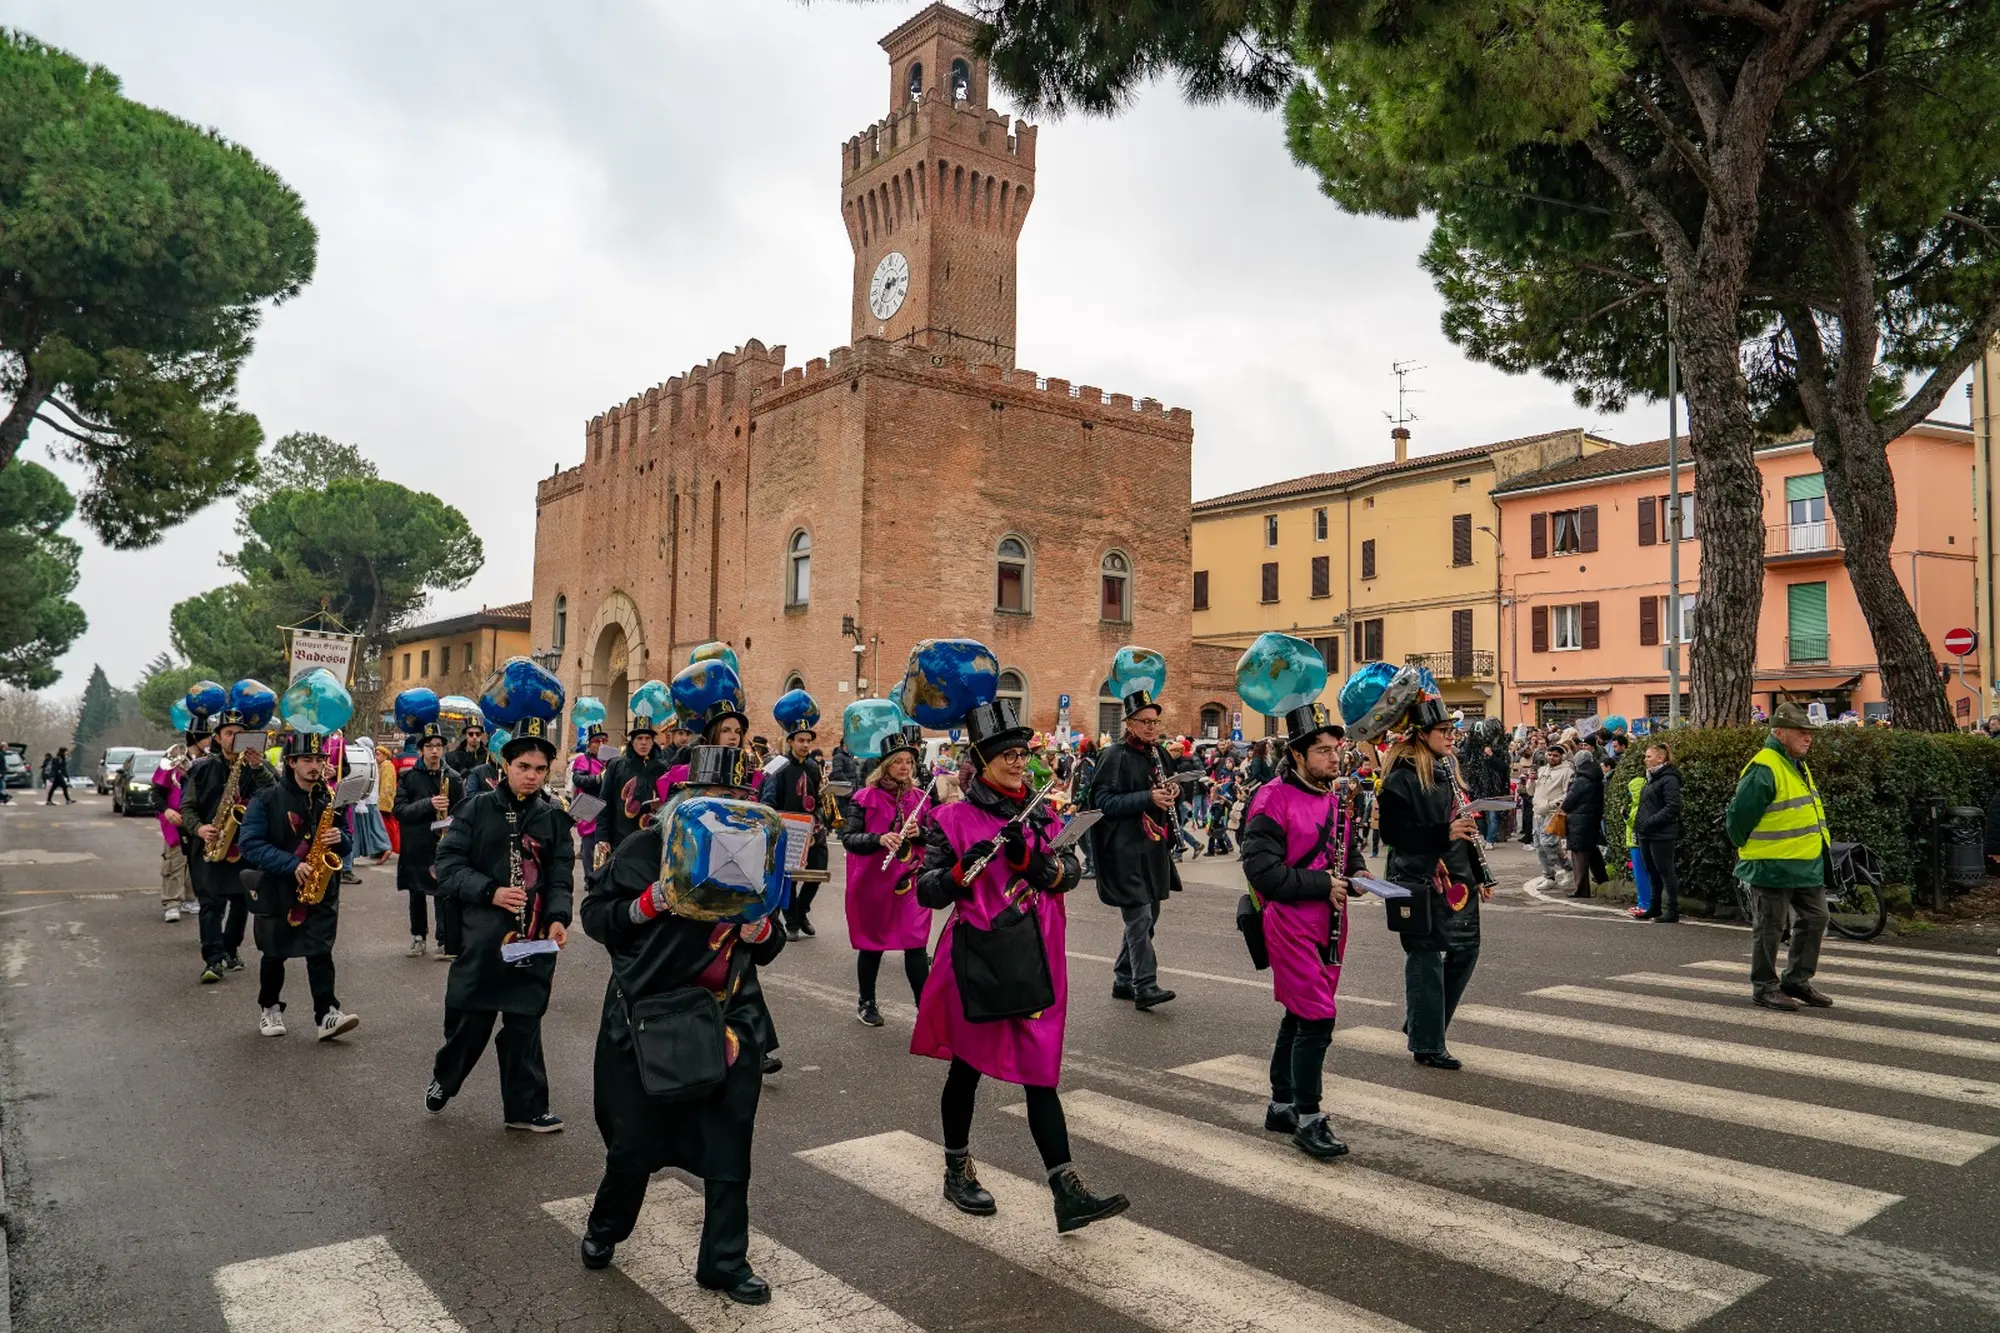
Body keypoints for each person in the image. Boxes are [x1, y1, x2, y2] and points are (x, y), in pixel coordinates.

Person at [577, 741, 785, 1304]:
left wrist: (761, 934)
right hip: (650, 1016)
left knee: (729, 1144)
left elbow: (774, 933)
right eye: (716, 796)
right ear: (687, 799)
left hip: (728, 1017)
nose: (729, 807)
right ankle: (606, 1227)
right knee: (632, 1143)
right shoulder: (648, 847)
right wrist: (648, 904)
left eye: (739, 798)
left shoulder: (755, 850)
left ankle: (723, 1261)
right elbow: (596, 916)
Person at [912, 693, 1128, 1232]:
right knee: (967, 1068)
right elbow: (927, 892)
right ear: (981, 761)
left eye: (1022, 751)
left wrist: (1032, 861)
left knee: (1040, 1073)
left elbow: (1071, 872)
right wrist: (959, 873)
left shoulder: (1042, 812)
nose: (1018, 760)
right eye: (1006, 753)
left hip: (1038, 956)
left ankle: (1065, 1190)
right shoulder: (950, 818)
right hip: (978, 957)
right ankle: (957, 1168)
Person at [426, 702, 574, 1132]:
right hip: (485, 937)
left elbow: (560, 877)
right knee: (470, 1024)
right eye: (524, 765)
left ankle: (525, 1109)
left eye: (541, 769)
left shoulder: (553, 818)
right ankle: (444, 1078)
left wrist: (559, 918)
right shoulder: (475, 809)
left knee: (525, 1022)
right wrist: (491, 892)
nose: (532, 775)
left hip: (533, 938)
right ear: (504, 764)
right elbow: (448, 869)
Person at [1239, 703, 1366, 1160]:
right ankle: (1309, 1119)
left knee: (1298, 1014)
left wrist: (1358, 873)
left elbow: (1344, 848)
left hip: (1330, 921)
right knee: (1317, 1017)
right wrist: (1322, 883)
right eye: (1324, 751)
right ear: (1297, 755)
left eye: (1337, 749)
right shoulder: (1271, 799)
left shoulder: (1333, 796)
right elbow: (1262, 872)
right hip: (1290, 921)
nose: (1335, 759)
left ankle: (1281, 1105)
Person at [1379, 695, 1491, 1070]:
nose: (1451, 736)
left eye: (1451, 730)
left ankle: (1422, 1022)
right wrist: (1443, 833)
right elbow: (1394, 832)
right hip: (1417, 875)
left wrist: (1479, 875)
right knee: (1426, 957)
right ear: (1422, 734)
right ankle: (1427, 1043)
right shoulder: (1400, 777)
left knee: (1465, 950)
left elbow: (1464, 829)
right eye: (1444, 730)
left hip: (1457, 875)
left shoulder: (1447, 769)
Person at [238, 727, 360, 1041]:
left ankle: (327, 1015)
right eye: (307, 758)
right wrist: (292, 864)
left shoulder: (330, 797)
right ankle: (270, 1007)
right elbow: (250, 845)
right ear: (291, 762)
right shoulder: (266, 798)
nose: (315, 765)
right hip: (279, 888)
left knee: (321, 951)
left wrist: (340, 839)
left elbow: (348, 841)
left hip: (321, 888)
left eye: (320, 758)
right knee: (274, 953)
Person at [1727, 703, 1834, 1010]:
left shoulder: (1794, 764)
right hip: (1772, 864)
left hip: (1803, 862)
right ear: (1779, 732)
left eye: (1809, 733)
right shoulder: (1766, 766)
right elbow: (1737, 820)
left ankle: (1796, 980)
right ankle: (1764, 986)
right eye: (1801, 733)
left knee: (1817, 917)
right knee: (1770, 927)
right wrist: (1750, 851)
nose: (1808, 738)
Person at [1088, 680, 1178, 1012]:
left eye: (1155, 722)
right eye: (1145, 722)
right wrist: (1147, 797)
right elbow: (1103, 801)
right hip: (1123, 851)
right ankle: (1145, 985)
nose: (1152, 727)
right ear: (1129, 724)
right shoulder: (1113, 756)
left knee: (1149, 914)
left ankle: (1124, 978)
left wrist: (1170, 794)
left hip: (1152, 847)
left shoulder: (1160, 754)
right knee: (1139, 918)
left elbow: (1162, 789)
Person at [839, 725, 933, 1025]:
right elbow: (849, 838)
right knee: (873, 944)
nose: (905, 767)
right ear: (884, 766)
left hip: (910, 882)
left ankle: (926, 1008)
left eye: (909, 761)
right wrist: (879, 839)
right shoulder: (863, 797)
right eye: (898, 761)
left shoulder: (921, 798)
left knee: (916, 943)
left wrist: (921, 834)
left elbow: (937, 838)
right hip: (873, 884)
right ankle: (866, 1002)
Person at [183, 686, 276, 985]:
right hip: (211, 843)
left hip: (245, 846)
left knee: (242, 903)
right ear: (218, 737)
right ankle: (212, 959)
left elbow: (275, 795)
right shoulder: (201, 769)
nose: (233, 738)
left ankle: (231, 948)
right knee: (210, 904)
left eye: (239, 732)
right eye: (228, 733)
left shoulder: (258, 766)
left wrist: (257, 767)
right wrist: (199, 828)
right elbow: (187, 808)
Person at [763, 691, 830, 940]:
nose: (805, 745)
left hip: (811, 830)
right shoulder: (778, 766)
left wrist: (819, 820)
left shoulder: (813, 766)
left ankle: (802, 911)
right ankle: (791, 922)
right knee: (789, 877)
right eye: (800, 740)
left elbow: (819, 800)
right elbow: (767, 798)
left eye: (808, 740)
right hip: (787, 829)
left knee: (817, 872)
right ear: (790, 741)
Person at [394, 724, 464, 958]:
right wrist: (429, 804)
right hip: (416, 843)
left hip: (442, 844)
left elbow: (462, 811)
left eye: (438, 746)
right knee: (416, 892)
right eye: (429, 746)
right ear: (421, 750)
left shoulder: (453, 778)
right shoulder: (409, 778)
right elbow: (400, 810)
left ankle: (444, 940)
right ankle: (418, 937)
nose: (435, 751)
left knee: (443, 892)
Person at [594, 705, 668, 881]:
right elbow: (605, 803)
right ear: (632, 741)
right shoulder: (616, 766)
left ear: (653, 741)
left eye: (647, 738)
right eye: (639, 738)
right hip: (621, 837)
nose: (643, 743)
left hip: (651, 839)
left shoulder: (663, 768)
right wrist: (602, 836)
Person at [153, 725, 205, 923]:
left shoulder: (208, 761)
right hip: (176, 818)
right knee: (175, 861)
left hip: (199, 819)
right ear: (196, 739)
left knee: (198, 861)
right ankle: (171, 902)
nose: (211, 742)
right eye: (207, 738)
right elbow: (156, 792)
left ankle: (192, 898)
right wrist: (166, 810)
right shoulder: (174, 758)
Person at [1633, 741, 1682, 923]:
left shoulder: (1669, 778)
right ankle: (1654, 907)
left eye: (1649, 756)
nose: (1645, 759)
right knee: (1652, 871)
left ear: (1660, 758)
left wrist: (1651, 822)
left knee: (1665, 871)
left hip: (1661, 833)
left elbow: (1672, 806)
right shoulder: (1650, 778)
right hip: (1646, 832)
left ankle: (1672, 909)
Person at [1561, 747, 1609, 899]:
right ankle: (1603, 880)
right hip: (1592, 818)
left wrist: (1562, 807)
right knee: (1592, 851)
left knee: (1579, 854)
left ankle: (1581, 889)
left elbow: (1569, 801)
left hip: (1578, 820)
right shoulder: (1596, 776)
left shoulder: (1581, 779)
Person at [1529, 746, 1572, 890]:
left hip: (1552, 813)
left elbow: (1568, 794)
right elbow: (1531, 791)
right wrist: (1529, 781)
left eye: (1556, 755)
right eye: (1550, 754)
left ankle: (1568, 868)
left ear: (1562, 757)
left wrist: (1549, 805)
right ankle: (1549, 876)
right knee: (1539, 847)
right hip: (1537, 813)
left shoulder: (1567, 772)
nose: (1552, 758)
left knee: (1549, 844)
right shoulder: (1542, 770)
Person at [570, 723, 610, 871]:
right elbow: (578, 780)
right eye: (596, 741)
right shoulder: (583, 760)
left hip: (605, 807)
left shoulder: (609, 760)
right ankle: (589, 877)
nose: (600, 744)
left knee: (604, 846)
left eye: (603, 741)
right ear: (590, 744)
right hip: (589, 805)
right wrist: (598, 778)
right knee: (589, 846)